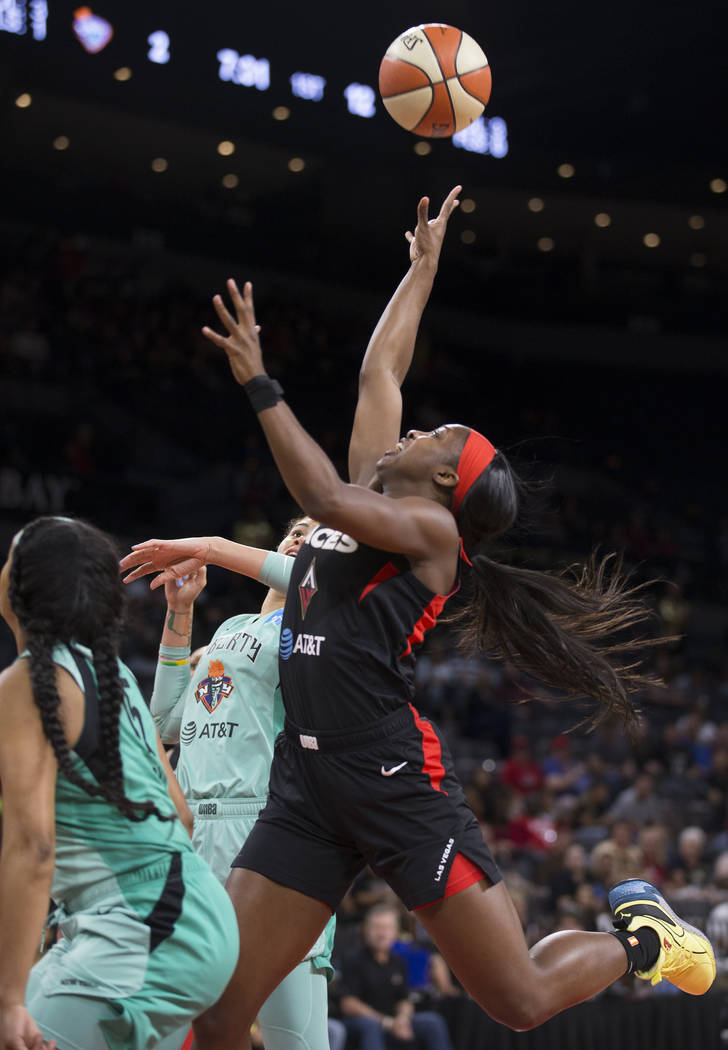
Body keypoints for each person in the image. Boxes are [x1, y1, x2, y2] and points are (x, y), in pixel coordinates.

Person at [128, 188, 715, 1049]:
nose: (416, 430)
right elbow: (380, 375)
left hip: (389, 777)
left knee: (515, 1000)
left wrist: (259, 380)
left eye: (437, 434)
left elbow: (317, 490)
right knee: (218, 1020)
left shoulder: (430, 533)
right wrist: (422, 270)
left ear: (448, 481)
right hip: (308, 785)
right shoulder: (376, 492)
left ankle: (642, 942)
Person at [0, 516, 239, 1050]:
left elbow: (31, 845)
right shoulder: (113, 676)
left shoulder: (27, 681)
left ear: (20, 585)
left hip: (146, 922)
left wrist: (7, 998)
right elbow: (180, 812)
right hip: (191, 914)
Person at [122, 517, 336, 1050]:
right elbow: (165, 721)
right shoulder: (231, 627)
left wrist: (214, 549)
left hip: (267, 827)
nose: (302, 534)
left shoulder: (320, 624)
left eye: (318, 534)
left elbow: (312, 580)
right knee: (184, 1027)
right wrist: (180, 611)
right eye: (297, 528)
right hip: (194, 834)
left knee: (294, 1037)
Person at [338, 903, 454, 1050]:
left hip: (393, 1020)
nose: (382, 934)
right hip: (362, 1023)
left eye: (387, 928)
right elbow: (348, 1004)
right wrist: (386, 1022)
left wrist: (403, 1019)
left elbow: (404, 999)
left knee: (432, 1021)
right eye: (376, 927)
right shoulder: (353, 958)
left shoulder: (398, 961)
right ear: (365, 930)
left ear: (395, 932)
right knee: (370, 1026)